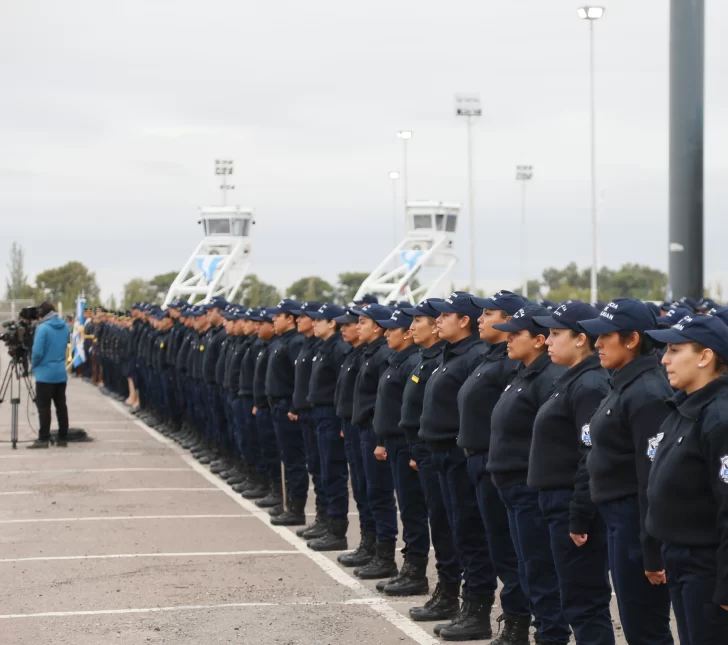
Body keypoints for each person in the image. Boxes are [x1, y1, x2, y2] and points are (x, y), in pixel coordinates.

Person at [577, 298, 674, 645]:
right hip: (619, 517)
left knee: (645, 626)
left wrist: (650, 550)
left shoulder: (646, 392)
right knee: (636, 621)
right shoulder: (624, 383)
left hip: (635, 519)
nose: (597, 344)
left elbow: (651, 476)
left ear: (632, 339)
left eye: (605, 336)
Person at [530, 301, 616, 645]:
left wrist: (579, 514)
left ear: (581, 338)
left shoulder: (590, 384)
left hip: (572, 502)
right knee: (573, 595)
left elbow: (589, 453)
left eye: (555, 333)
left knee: (585, 600)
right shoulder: (573, 379)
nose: (548, 341)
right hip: (557, 500)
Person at [488, 305, 570, 645]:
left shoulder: (548, 377)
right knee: (524, 565)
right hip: (511, 486)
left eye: (515, 333)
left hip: (529, 486)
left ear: (538, 340)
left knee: (540, 568)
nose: (507, 339)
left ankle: (551, 634)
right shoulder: (522, 372)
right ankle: (534, 627)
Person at [645, 314, 728, 643]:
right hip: (679, 556)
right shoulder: (685, 408)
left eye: (676, 350)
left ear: (705, 356)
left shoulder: (720, 417)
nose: (664, 359)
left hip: (706, 564)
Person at [457, 290, 532, 644]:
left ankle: (517, 621)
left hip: (497, 463)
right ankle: (478, 609)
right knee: (479, 539)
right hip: (477, 458)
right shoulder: (491, 357)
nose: (481, 319)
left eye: (489, 313)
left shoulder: (510, 363)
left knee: (506, 548)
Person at [419, 292, 492, 641]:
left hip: (458, 454)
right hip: (441, 455)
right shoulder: (451, 354)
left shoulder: (474, 355)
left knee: (469, 532)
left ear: (464, 320)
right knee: (450, 528)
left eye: (445, 315)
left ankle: (476, 609)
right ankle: (451, 594)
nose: (438, 321)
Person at [399, 298, 461, 622]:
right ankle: (447, 590)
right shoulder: (431, 360)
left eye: (419, 321)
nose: (412, 327)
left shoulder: (443, 359)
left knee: (446, 523)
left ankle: (452, 593)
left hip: (439, 451)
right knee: (438, 521)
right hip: (423, 450)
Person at [374, 308, 429, 596]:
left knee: (413, 509)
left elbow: (415, 411)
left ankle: (416, 570)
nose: (386, 333)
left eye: (391, 329)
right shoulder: (398, 361)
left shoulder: (413, 362)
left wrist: (413, 449)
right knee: (407, 507)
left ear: (407, 333)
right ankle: (409, 566)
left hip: (407, 444)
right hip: (395, 442)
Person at [350, 303, 399, 580]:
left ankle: (384, 555)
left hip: (374, 431)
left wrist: (380, 438)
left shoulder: (383, 355)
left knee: (379, 494)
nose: (358, 327)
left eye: (363, 322)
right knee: (364, 489)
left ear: (376, 327)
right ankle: (369, 544)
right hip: (363, 429)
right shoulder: (368, 353)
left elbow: (384, 402)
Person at [304, 303, 351, 550]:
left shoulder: (338, 349)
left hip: (331, 415)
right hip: (319, 413)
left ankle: (336, 529)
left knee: (333, 471)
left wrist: (341, 420)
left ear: (331, 322)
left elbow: (342, 387)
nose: (314, 323)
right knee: (321, 469)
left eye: (318, 319)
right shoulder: (324, 347)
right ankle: (324, 519)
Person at [29, 302, 71, 449]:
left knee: (44, 407)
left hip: (45, 374)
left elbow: (37, 352)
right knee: (61, 406)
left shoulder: (43, 329)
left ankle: (43, 438)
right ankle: (63, 438)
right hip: (60, 372)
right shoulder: (65, 326)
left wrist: (33, 365)